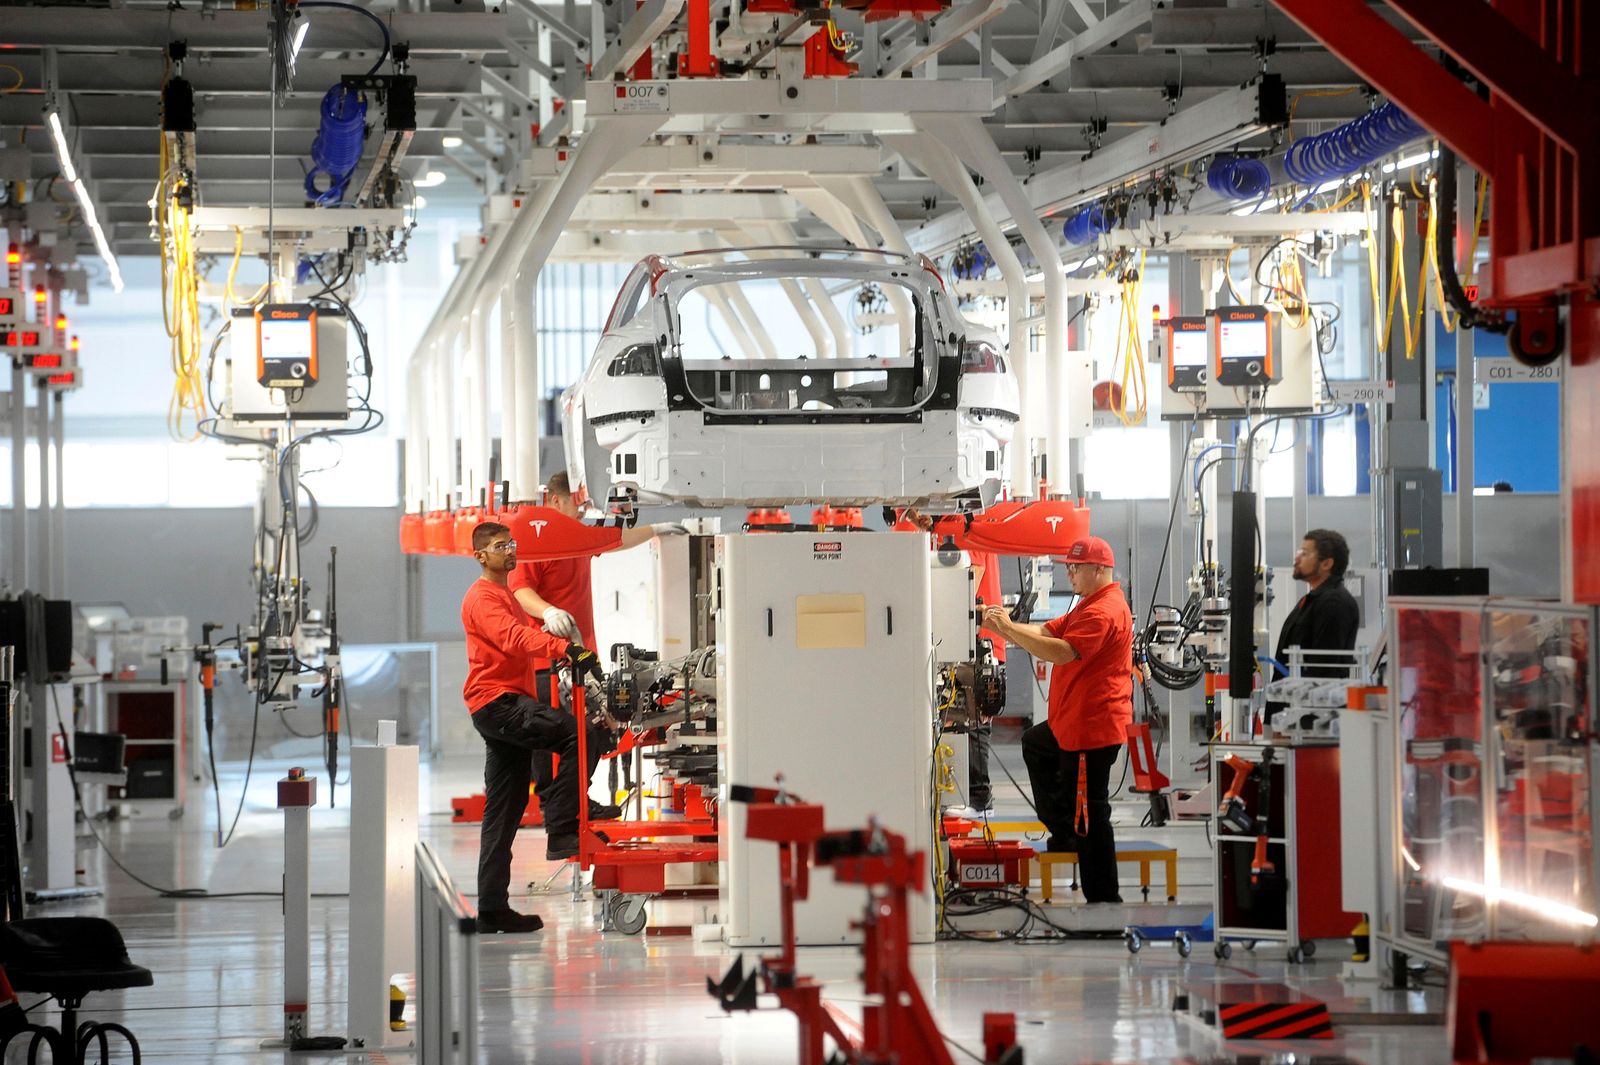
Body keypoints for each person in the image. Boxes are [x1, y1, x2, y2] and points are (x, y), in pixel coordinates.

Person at [461, 520, 605, 934]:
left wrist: (560, 648)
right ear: (480, 556)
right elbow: (513, 638)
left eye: (511, 544)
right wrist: (566, 648)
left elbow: (523, 634)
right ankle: (562, 824)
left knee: (502, 813)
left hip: (499, 704)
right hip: (499, 703)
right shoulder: (484, 597)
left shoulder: (504, 594)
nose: (509, 550)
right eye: (499, 546)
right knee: (582, 733)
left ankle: (491, 908)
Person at [509, 471, 683, 812]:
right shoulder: (536, 544)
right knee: (554, 741)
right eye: (577, 503)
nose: (582, 510)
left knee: (595, 733)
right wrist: (547, 613)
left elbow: (616, 539)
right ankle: (556, 808)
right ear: (555, 500)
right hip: (546, 661)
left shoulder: (576, 538)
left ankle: (575, 802)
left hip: (584, 658)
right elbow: (521, 590)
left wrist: (658, 530)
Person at [982, 536, 1132, 904]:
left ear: (1099, 569)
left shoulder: (1103, 611)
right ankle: (1064, 834)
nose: (1069, 573)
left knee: (1090, 815)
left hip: (1090, 730)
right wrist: (1001, 624)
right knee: (1036, 744)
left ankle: (1104, 902)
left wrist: (1008, 630)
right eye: (1067, 566)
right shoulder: (1089, 604)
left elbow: (1063, 653)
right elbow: (1049, 631)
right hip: (1072, 723)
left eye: (1075, 568)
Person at [903, 507, 1005, 816]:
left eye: (915, 513)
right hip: (955, 641)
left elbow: (967, 585)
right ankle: (956, 798)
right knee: (949, 720)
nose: (912, 519)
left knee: (969, 722)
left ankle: (975, 800)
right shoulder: (947, 531)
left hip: (974, 644)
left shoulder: (962, 530)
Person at [1274, 528, 1360, 679]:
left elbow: (1323, 670)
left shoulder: (1334, 603)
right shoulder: (1312, 600)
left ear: (1326, 563)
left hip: (1307, 701)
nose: (1297, 559)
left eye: (1305, 554)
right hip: (1292, 699)